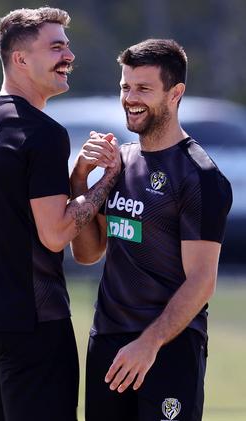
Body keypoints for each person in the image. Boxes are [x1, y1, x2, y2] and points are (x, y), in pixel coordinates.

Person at [0, 7, 120, 421]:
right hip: (32, 322)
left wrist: (78, 175)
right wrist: (107, 182)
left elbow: (14, 211)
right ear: (21, 58)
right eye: (57, 46)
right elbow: (55, 233)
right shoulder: (42, 132)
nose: (69, 56)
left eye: (68, 45)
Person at [70, 38, 232, 421]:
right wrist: (79, 179)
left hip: (169, 347)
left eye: (143, 88)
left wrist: (149, 343)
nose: (130, 97)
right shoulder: (121, 162)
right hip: (109, 343)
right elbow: (88, 253)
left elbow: (201, 281)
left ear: (176, 94)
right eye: (125, 87)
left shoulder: (201, 177)